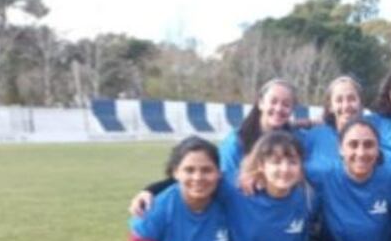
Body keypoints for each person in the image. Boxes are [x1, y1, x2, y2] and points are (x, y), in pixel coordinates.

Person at [128, 79, 299, 215]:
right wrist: (151, 190)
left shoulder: (296, 139)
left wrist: (312, 121)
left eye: (286, 104)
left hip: (283, 217)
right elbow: (211, 175)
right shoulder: (237, 141)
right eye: (273, 101)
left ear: (292, 109)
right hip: (245, 220)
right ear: (261, 103)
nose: (279, 108)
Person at [301, 75, 366, 166]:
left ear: (361, 103)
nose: (346, 106)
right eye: (339, 100)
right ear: (330, 106)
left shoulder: (374, 135)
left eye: (351, 99)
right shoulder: (314, 136)